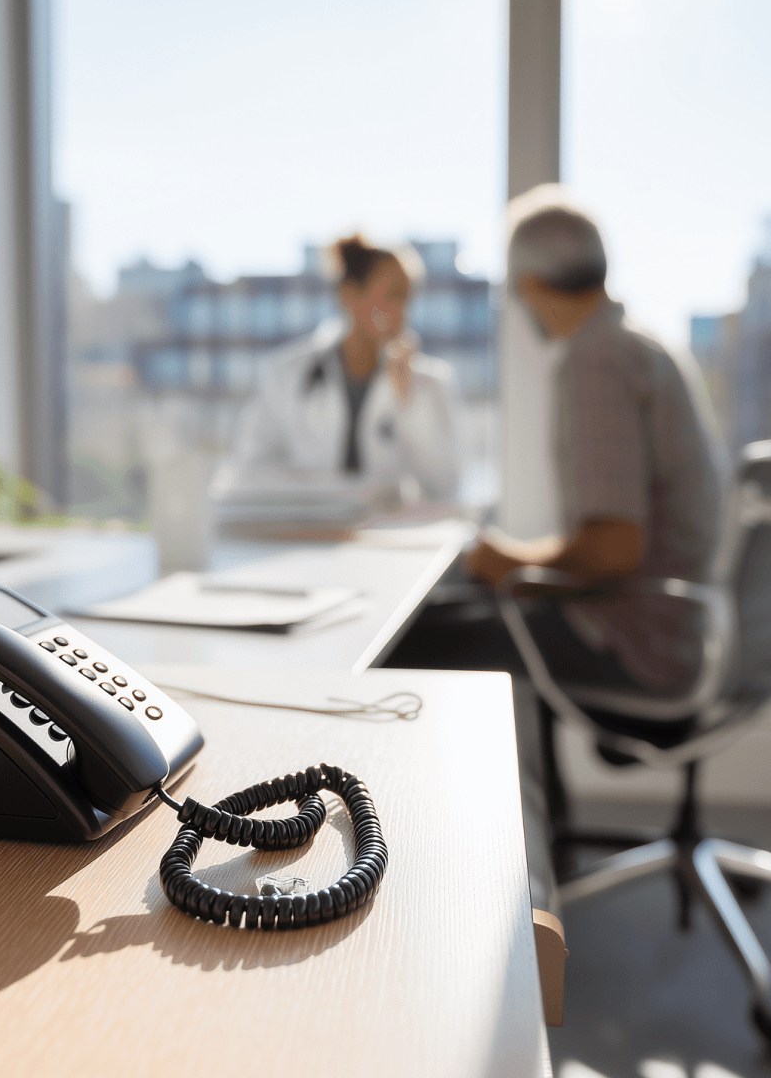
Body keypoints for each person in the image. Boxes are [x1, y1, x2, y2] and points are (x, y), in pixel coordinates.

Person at [464, 189, 727, 697]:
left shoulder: (595, 359)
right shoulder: (644, 345)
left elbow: (613, 550)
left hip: (632, 644)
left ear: (526, 285)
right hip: (678, 636)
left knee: (413, 645)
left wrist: (509, 565)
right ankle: (528, 779)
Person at [230, 235, 461, 506]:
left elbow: (446, 485)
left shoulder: (429, 383)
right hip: (306, 535)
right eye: (392, 297)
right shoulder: (286, 374)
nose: (402, 312)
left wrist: (407, 404)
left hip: (387, 539)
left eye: (407, 299)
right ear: (350, 295)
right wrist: (346, 489)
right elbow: (248, 472)